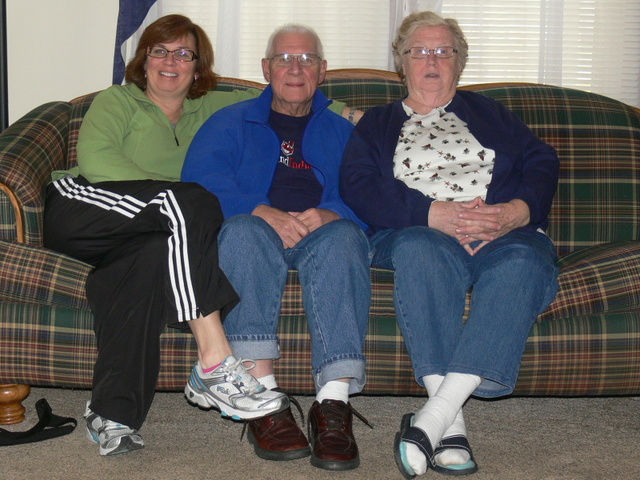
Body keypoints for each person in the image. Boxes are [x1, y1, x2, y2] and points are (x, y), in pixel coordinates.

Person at [42, 14, 299, 456]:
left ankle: (112, 413)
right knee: (194, 200)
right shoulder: (117, 101)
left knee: (141, 268)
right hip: (84, 204)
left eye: (183, 54)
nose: (170, 61)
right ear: (144, 61)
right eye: (159, 51)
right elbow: (98, 161)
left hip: (149, 227)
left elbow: (284, 96)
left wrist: (352, 114)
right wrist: (170, 198)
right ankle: (214, 361)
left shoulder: (213, 107)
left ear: (198, 68)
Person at [339, 11, 560, 478]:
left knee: (525, 261)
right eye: (419, 51)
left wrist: (517, 211)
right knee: (423, 250)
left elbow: (541, 158)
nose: (432, 60)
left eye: (444, 51)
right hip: (415, 232)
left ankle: (435, 419)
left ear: (459, 62)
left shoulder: (488, 112)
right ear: (401, 62)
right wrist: (432, 214)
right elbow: (358, 184)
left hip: (500, 231)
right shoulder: (378, 122)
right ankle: (449, 420)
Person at [182, 24, 372, 471]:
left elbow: (372, 193)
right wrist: (259, 210)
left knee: (346, 237)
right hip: (256, 230)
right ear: (266, 69)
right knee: (244, 232)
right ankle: (263, 400)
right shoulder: (230, 121)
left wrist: (332, 212)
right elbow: (199, 183)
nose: (296, 68)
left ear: (322, 71)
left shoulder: (345, 130)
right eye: (285, 59)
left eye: (307, 59)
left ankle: (334, 404)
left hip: (320, 234)